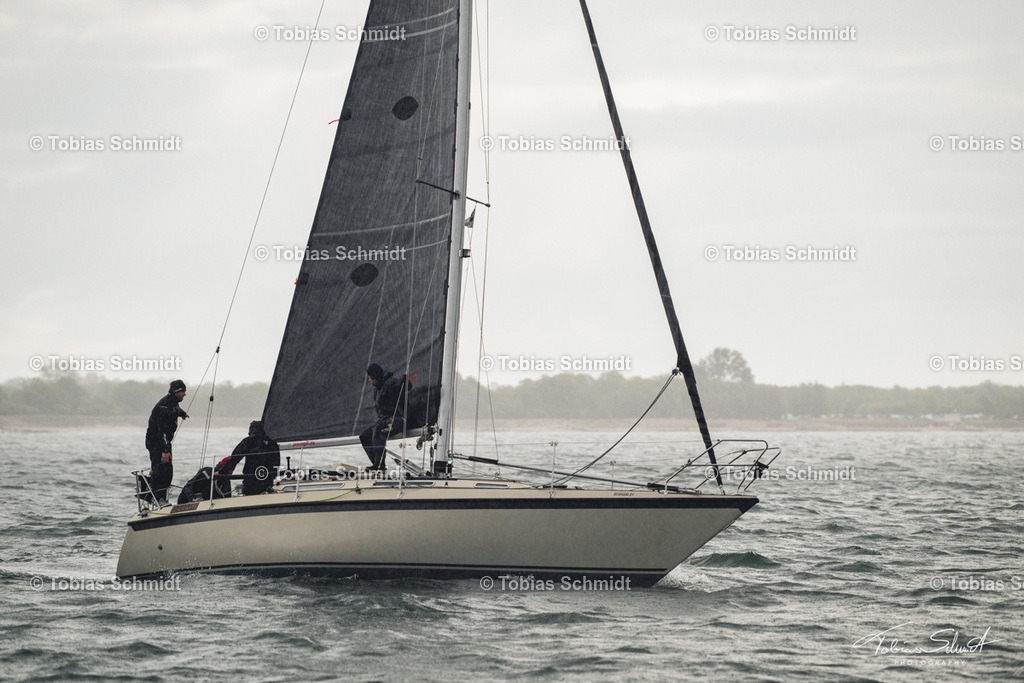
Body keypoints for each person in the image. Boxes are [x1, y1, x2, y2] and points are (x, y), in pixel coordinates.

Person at [145, 379, 189, 506]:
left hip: (164, 442)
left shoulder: (172, 402)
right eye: (183, 391)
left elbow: (176, 410)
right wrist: (165, 450)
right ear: (176, 392)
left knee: (168, 470)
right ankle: (158, 499)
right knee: (161, 469)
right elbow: (162, 430)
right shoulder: (165, 405)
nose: (185, 394)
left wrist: (182, 413)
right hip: (156, 442)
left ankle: (162, 498)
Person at [359, 363, 409, 470]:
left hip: (398, 419)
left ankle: (379, 466)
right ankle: (376, 463)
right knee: (364, 436)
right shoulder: (377, 389)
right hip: (385, 420)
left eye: (370, 377)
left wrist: (405, 381)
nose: (369, 380)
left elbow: (406, 386)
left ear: (375, 377)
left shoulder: (390, 383)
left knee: (378, 430)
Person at [222, 420, 280, 495]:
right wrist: (272, 476)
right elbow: (277, 464)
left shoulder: (248, 441)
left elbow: (234, 458)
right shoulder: (273, 444)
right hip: (267, 482)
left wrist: (222, 472)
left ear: (251, 429)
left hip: (250, 482)